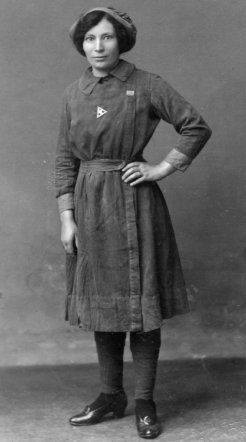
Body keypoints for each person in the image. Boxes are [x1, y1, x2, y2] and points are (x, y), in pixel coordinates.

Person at [55, 6, 212, 439]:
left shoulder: (145, 85)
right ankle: (110, 396)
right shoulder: (73, 93)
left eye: (106, 37)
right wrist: (67, 218)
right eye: (90, 39)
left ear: (121, 40)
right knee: (103, 303)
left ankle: (144, 401)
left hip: (135, 203)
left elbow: (195, 127)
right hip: (89, 207)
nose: (98, 47)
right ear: (82, 45)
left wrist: (161, 167)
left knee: (140, 306)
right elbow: (64, 160)